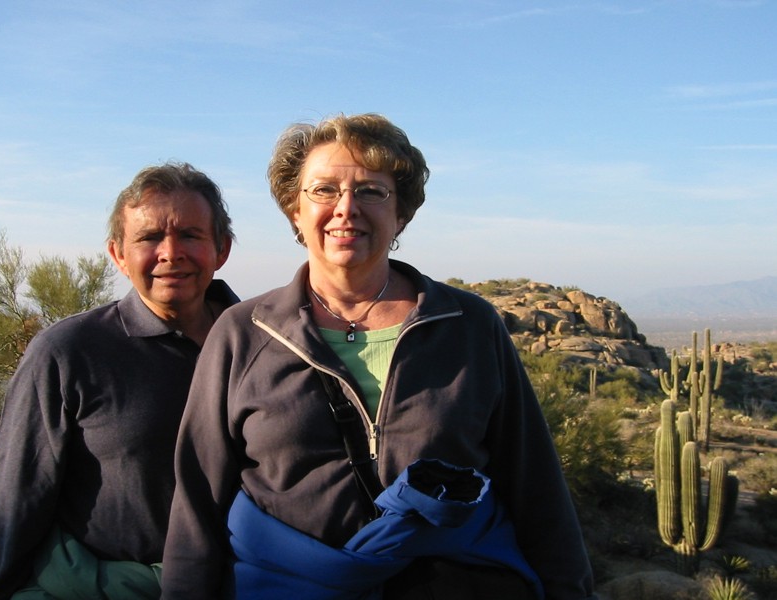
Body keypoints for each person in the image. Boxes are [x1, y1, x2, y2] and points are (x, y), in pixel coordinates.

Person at [160, 114, 597, 599]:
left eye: (371, 191)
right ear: (295, 212)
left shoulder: (467, 325)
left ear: (401, 213)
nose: (346, 209)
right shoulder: (243, 334)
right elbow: (198, 505)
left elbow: (535, 489)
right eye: (323, 190)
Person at [0, 162, 237, 599]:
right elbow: (16, 500)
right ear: (118, 254)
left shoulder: (260, 342)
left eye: (191, 235)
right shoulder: (67, 352)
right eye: (149, 237)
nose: (170, 253)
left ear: (221, 249)